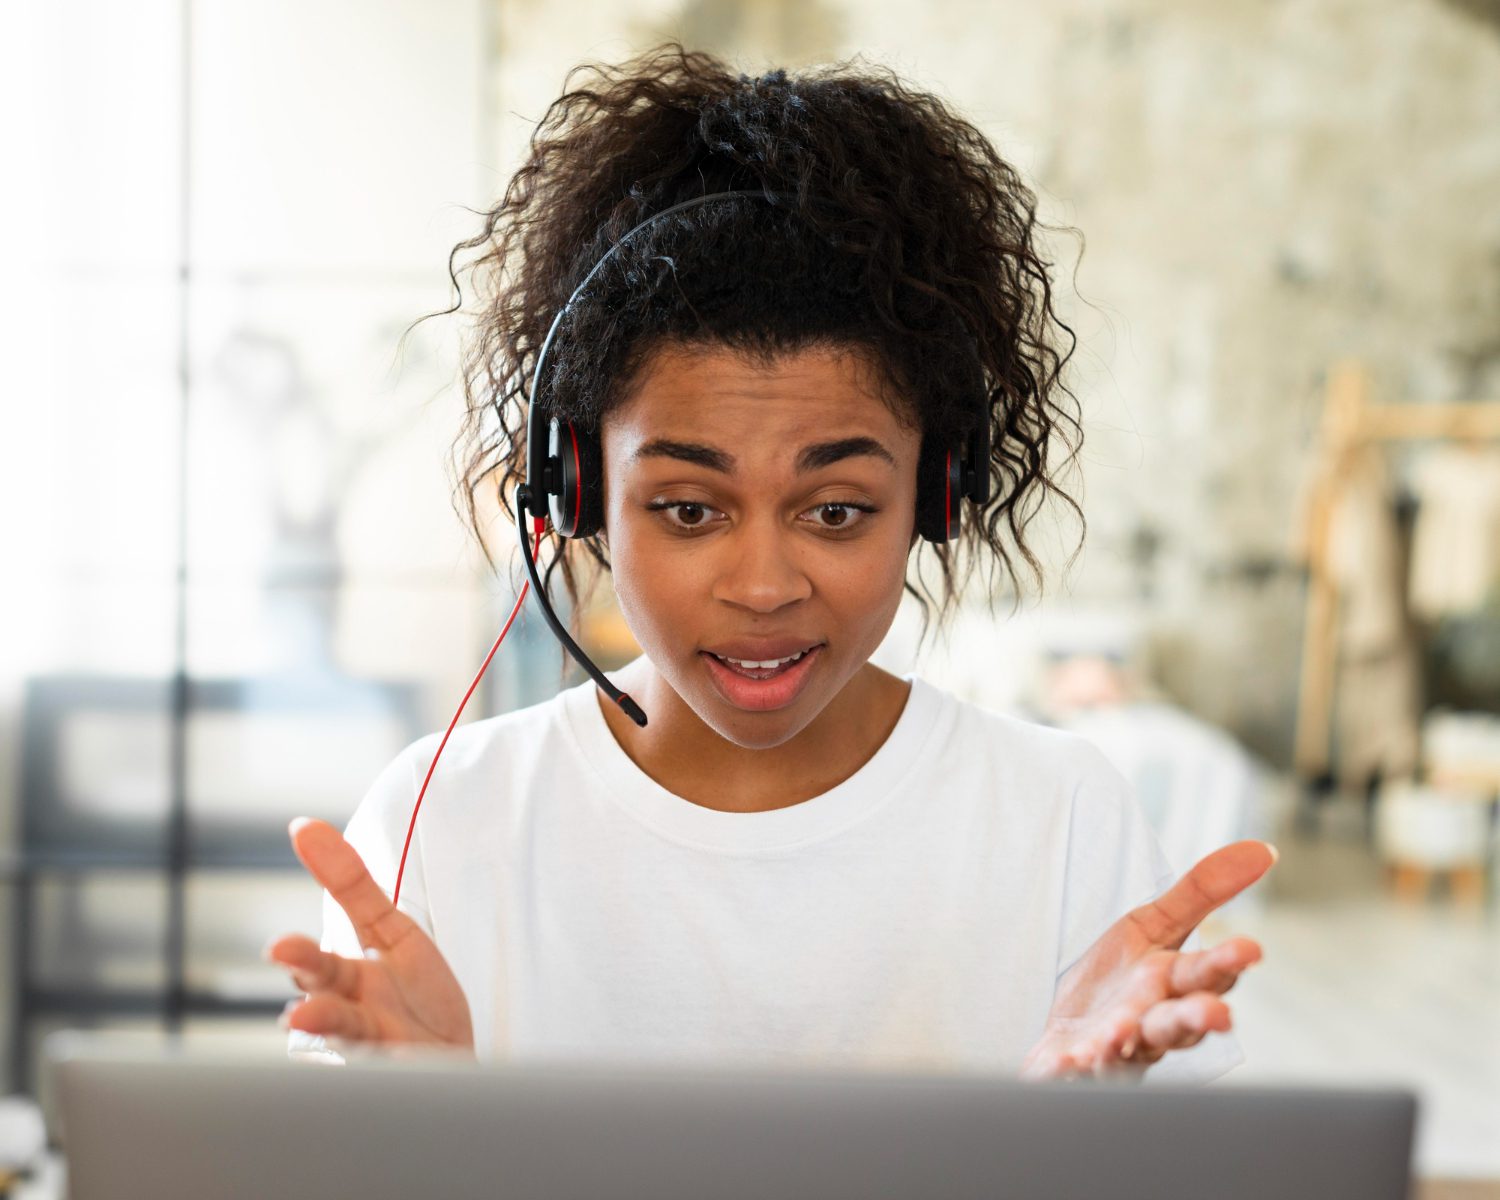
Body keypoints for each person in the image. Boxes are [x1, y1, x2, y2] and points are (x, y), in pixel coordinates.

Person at [265, 45, 1274, 1082]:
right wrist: (422, 1129)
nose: (762, 586)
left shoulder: (1060, 822)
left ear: (935, 495)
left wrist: (1077, 1139)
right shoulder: (447, 822)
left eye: (835, 510)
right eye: (690, 508)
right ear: (580, 495)